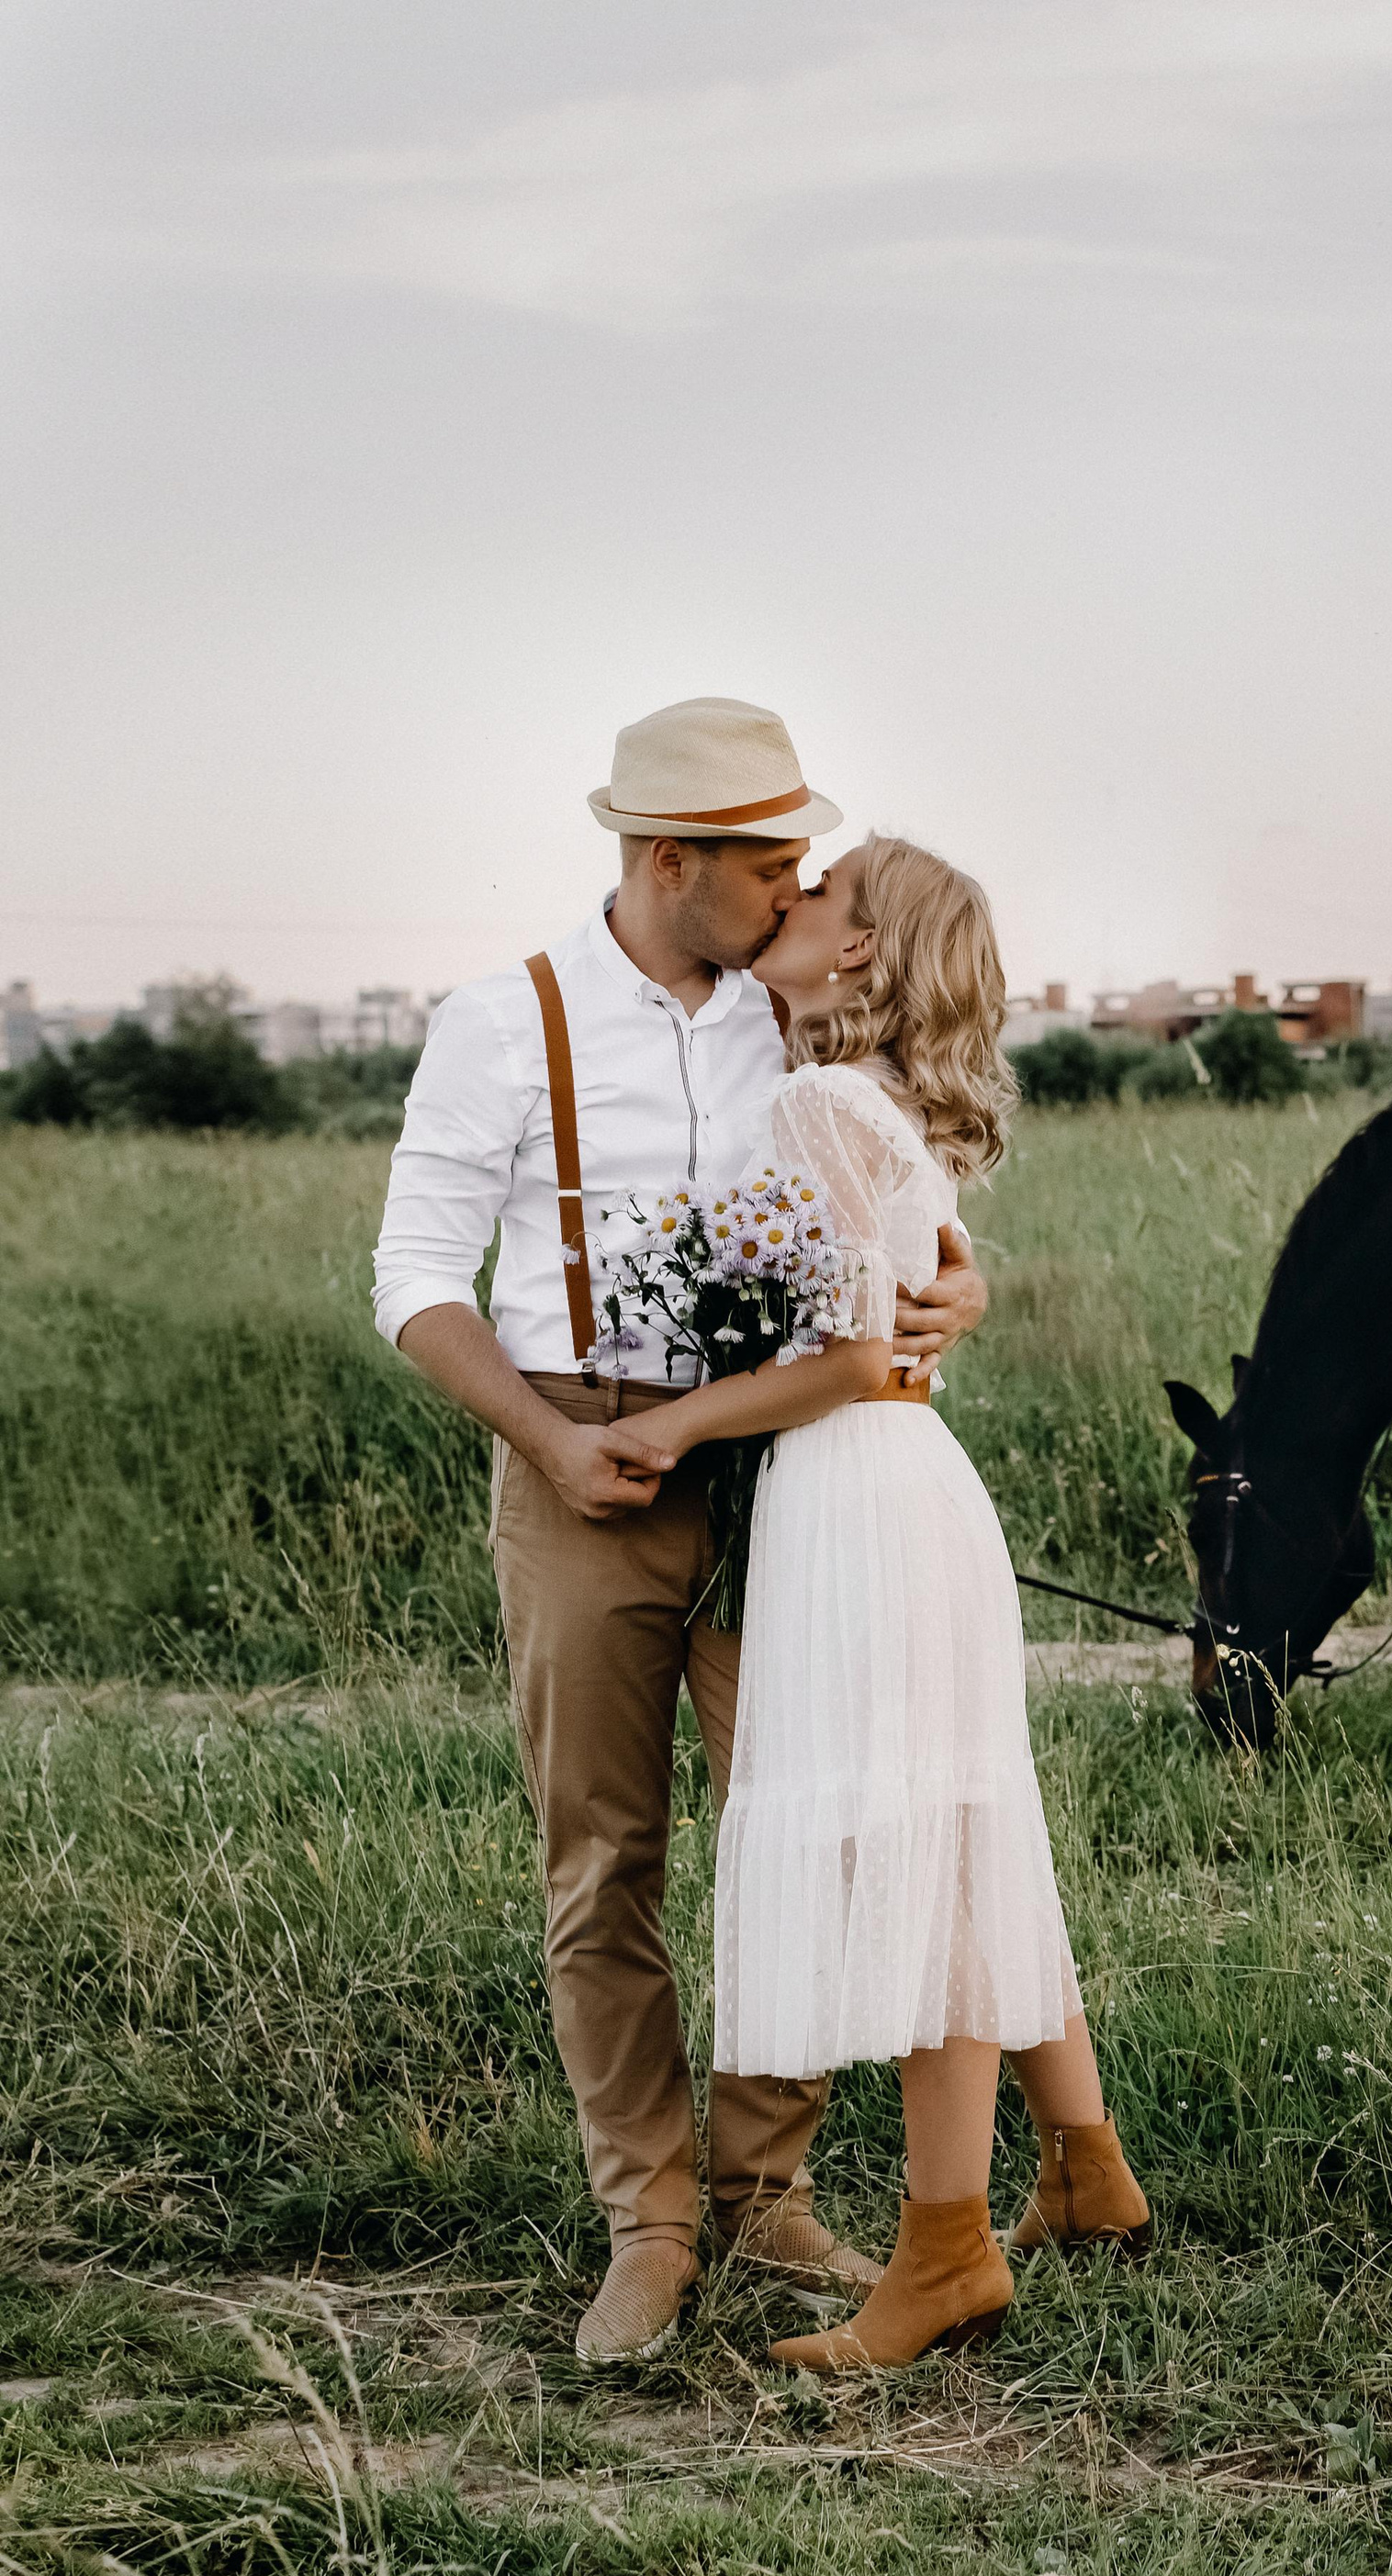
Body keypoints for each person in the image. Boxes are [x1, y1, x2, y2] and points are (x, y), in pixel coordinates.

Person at [370, 700, 991, 2366]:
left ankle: (764, 2190)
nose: (798, 887)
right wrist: (551, 1443)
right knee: (604, 1852)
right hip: (578, 1451)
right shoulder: (506, 1019)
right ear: (668, 861)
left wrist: (959, 1292)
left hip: (789, 1465)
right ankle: (648, 2222)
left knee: (809, 1824)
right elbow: (413, 1278)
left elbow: (894, 1216)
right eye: (771, 860)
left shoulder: (797, 1016)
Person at [634, 834, 1151, 2372]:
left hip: (860, 1486)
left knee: (928, 1853)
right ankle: (1086, 2168)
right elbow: (904, 1317)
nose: (787, 900)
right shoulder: (885, 1106)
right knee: (965, 1830)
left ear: (858, 950)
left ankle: (944, 2252)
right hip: (908, 1482)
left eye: (818, 893)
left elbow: (858, 1354)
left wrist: (674, 1423)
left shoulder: (818, 1105)